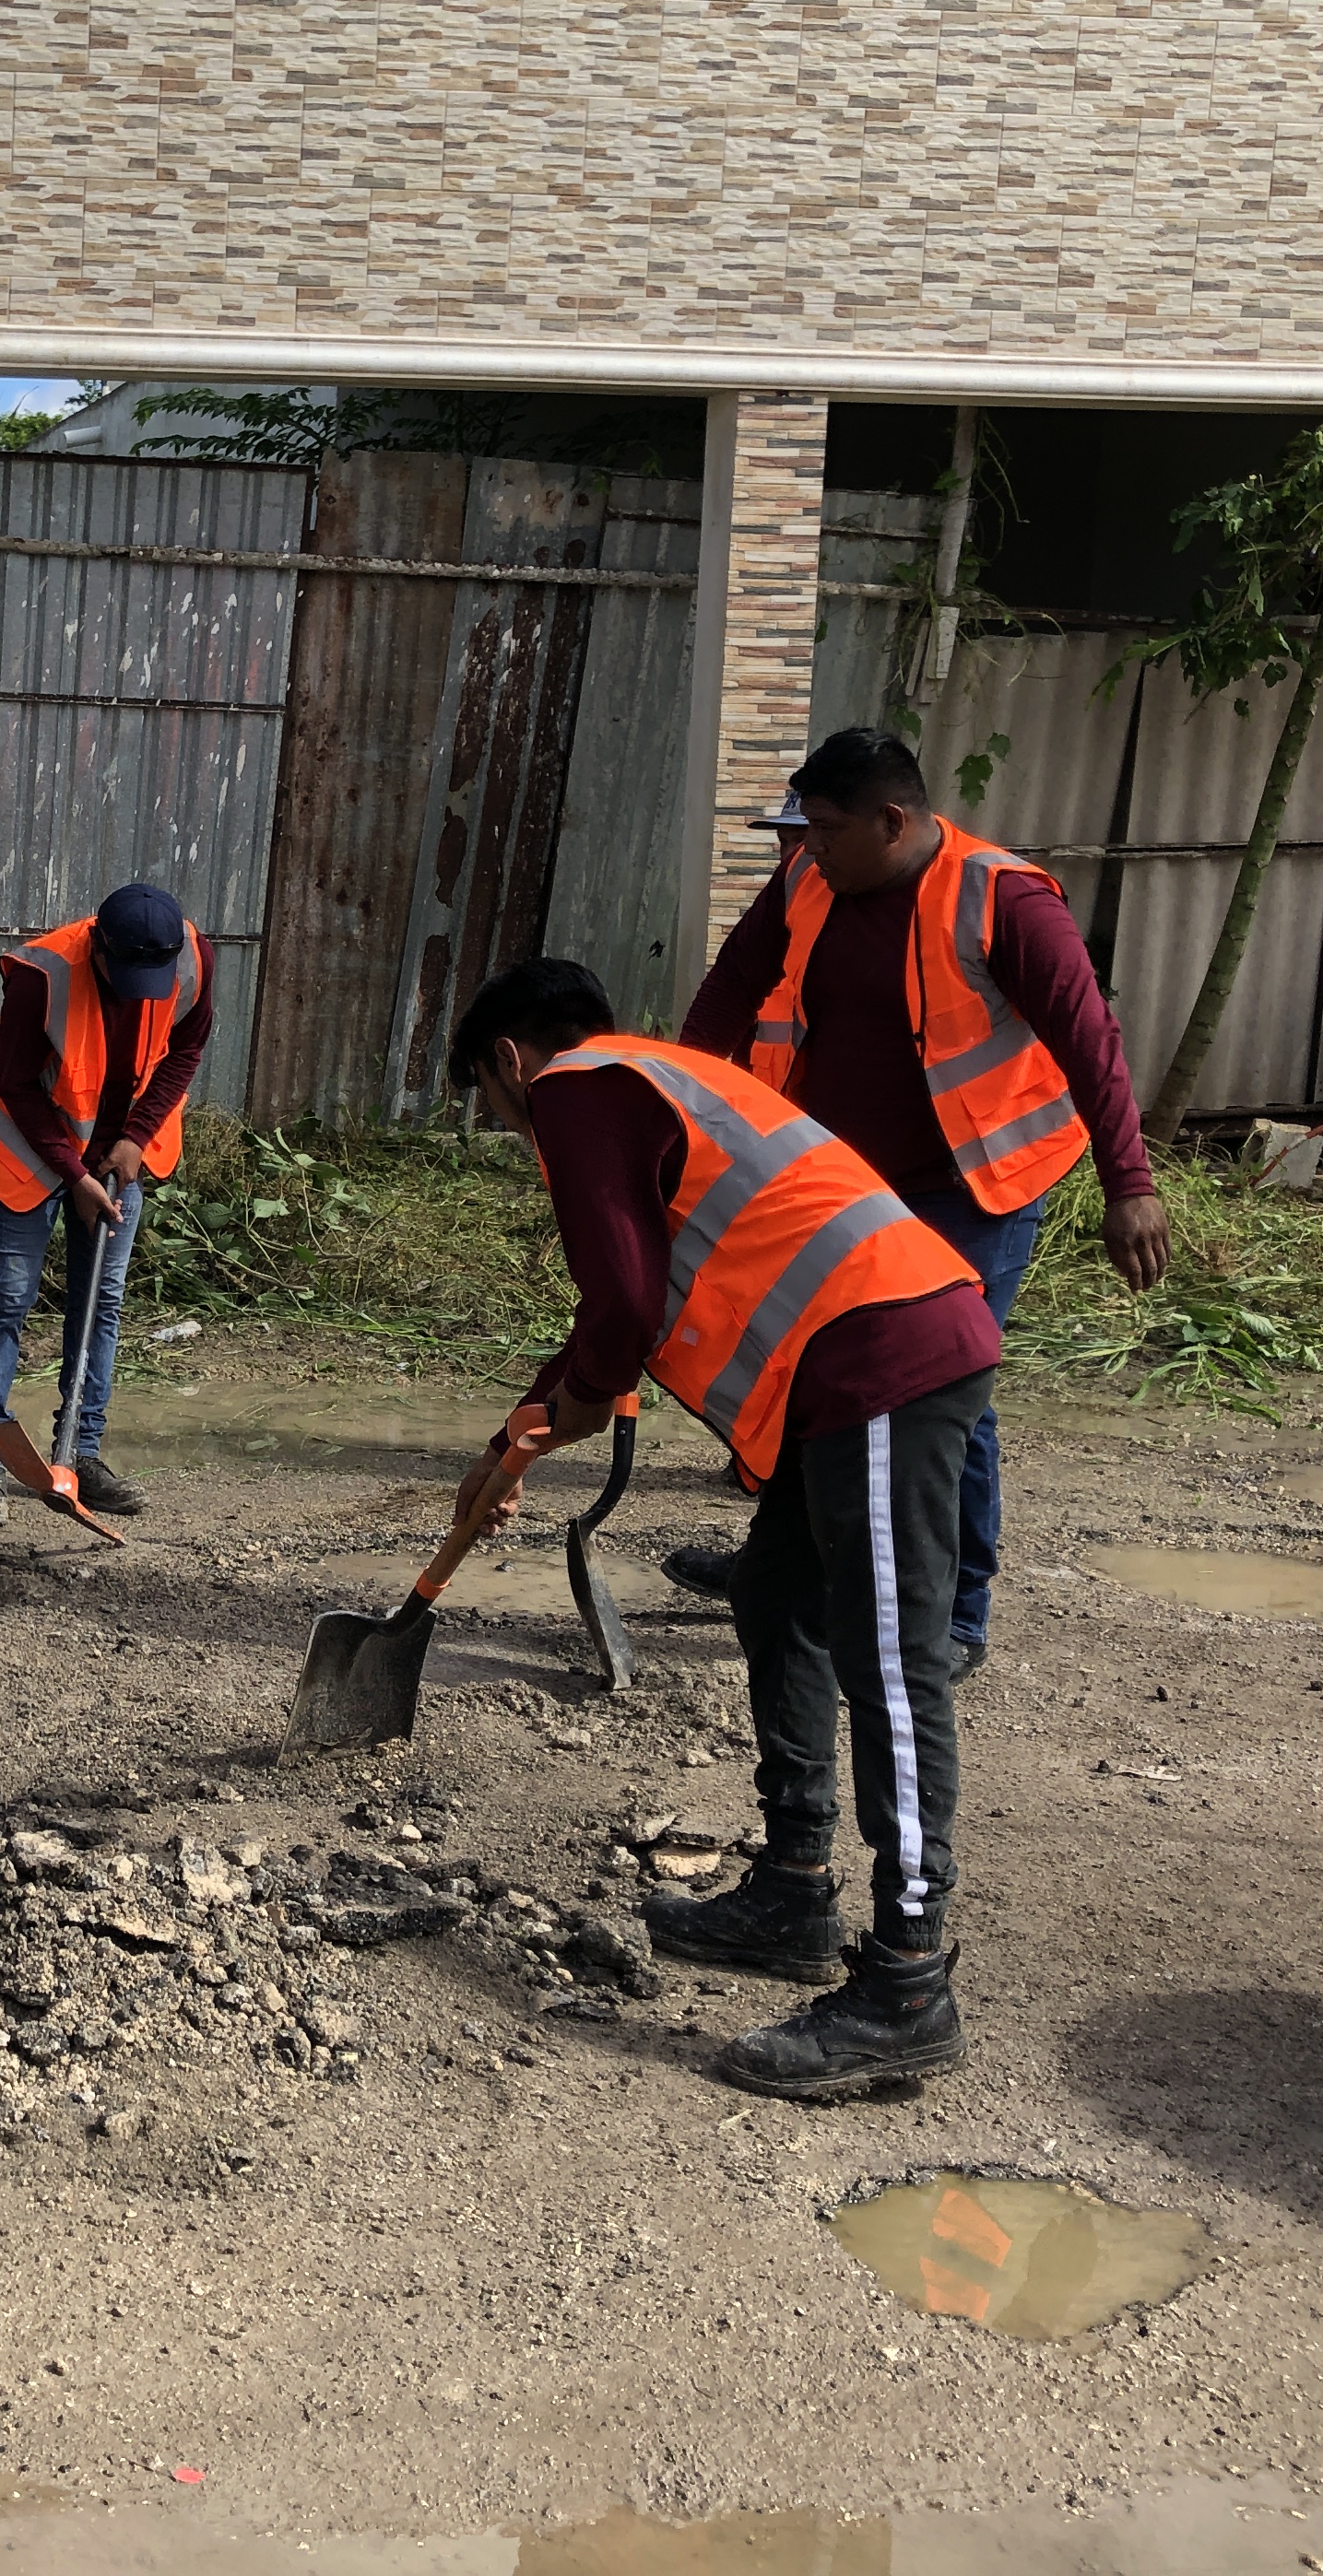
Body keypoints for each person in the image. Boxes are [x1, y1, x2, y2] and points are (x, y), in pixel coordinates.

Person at [447, 957, 999, 2099]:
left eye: (496, 1110)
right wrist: (515, 1438)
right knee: (775, 1597)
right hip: (839, 1368)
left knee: (891, 1662)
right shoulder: (654, 1077)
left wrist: (579, 1402)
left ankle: (907, 1984)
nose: (514, 1131)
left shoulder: (577, 1087)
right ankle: (793, 1891)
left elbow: (623, 1309)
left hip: (884, 1354)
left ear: (508, 1062)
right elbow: (612, 1309)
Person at [667, 725, 1168, 1676]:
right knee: (808, 1373)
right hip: (838, 1186)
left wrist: (1130, 1186)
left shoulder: (1003, 900)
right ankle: (792, 1569)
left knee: (939, 1390)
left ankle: (956, 1615)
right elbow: (729, 994)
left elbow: (1089, 1039)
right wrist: (672, 1115)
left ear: (892, 822)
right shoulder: (809, 880)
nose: (807, 847)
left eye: (826, 829)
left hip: (974, 1190)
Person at [0, 881, 213, 1527]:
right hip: (30, 1146)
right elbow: (17, 1083)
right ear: (97, 946)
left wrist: (135, 1139)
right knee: (8, 1295)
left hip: (118, 1152)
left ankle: (80, 1453)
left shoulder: (191, 961)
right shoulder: (41, 975)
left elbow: (184, 1052)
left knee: (102, 1300)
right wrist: (74, 1174)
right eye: (126, 977)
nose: (139, 993)